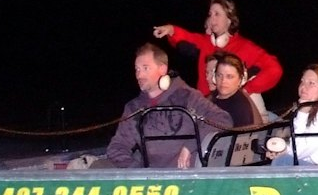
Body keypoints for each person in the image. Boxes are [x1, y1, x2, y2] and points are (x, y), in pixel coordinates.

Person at [98, 42, 232, 169]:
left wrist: (191, 146)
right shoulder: (134, 108)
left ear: (162, 69)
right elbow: (117, 147)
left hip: (186, 177)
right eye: (137, 69)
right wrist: (137, 172)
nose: (139, 75)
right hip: (153, 181)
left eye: (145, 68)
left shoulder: (186, 96)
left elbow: (222, 119)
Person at [153, 0, 283, 103]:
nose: (212, 18)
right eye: (210, 14)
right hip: (206, 107)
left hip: (233, 110)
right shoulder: (204, 42)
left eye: (217, 14)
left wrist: (247, 89)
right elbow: (184, 37)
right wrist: (170, 29)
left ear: (229, 20)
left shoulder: (246, 47)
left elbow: (274, 69)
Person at [210, 52, 260, 128]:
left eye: (229, 77)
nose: (223, 81)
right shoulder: (210, 97)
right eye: (219, 75)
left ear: (241, 79)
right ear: (214, 77)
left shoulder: (241, 109)